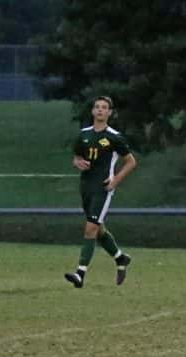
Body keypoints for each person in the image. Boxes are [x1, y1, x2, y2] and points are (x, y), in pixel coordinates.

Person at [64, 96, 137, 288]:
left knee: (90, 228)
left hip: (103, 189)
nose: (100, 110)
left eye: (104, 108)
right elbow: (76, 158)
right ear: (92, 111)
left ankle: (80, 274)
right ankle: (121, 258)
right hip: (86, 186)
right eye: (97, 107)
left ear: (110, 113)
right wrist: (79, 163)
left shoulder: (114, 137)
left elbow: (131, 162)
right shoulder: (84, 134)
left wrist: (115, 181)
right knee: (98, 229)